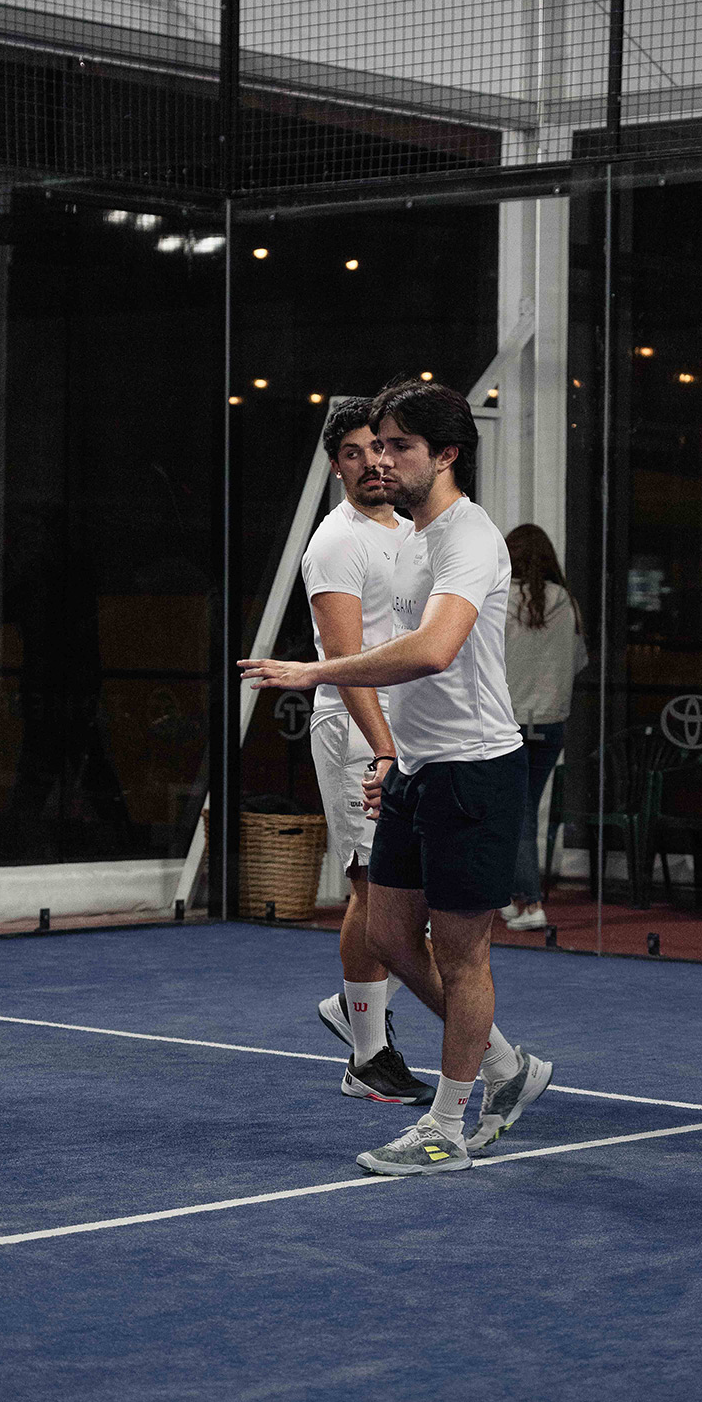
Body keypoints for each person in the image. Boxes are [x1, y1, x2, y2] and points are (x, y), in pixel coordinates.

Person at [241, 379, 552, 1176]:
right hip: (416, 770)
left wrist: (317, 670)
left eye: (398, 446)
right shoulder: (410, 537)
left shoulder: (469, 537)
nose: (381, 459)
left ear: (445, 454)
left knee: (462, 955)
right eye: (375, 445)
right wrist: (392, 757)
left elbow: (434, 650)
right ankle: (506, 1067)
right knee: (384, 934)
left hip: (474, 771)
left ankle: (448, 1126)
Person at [301, 398, 433, 1108]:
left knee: (410, 894)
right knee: (373, 890)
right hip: (357, 730)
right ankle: (367, 1056)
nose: (371, 463)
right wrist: (384, 750)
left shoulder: (413, 531)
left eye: (379, 448)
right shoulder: (334, 542)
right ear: (337, 466)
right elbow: (346, 662)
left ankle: (354, 1005)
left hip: (410, 729)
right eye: (353, 453)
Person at [500, 523, 587, 932]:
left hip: (508, 720)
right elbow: (578, 661)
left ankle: (530, 902)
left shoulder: (499, 600)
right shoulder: (567, 602)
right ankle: (511, 895)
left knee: (512, 812)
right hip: (550, 721)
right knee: (523, 808)